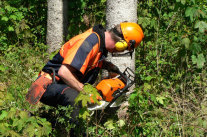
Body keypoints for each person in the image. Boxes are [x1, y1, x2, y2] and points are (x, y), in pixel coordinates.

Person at [26, 22, 144, 128]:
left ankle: (47, 123)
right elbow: (64, 72)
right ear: (121, 44)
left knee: (81, 101)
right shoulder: (90, 42)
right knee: (76, 99)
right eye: (124, 49)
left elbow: (88, 61)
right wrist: (87, 93)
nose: (121, 52)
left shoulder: (100, 46)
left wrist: (108, 66)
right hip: (49, 84)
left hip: (62, 85)